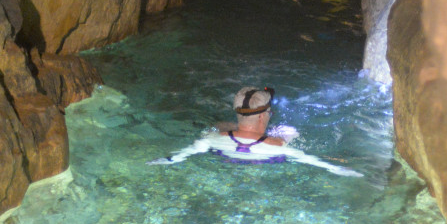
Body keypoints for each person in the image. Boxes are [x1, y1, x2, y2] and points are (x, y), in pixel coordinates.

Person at [148, 86, 362, 177]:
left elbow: (174, 159)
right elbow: (327, 167)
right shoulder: (282, 146)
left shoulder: (212, 139)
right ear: (264, 115)